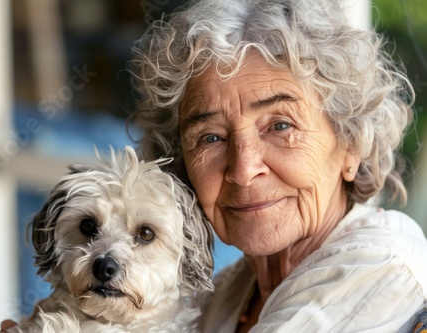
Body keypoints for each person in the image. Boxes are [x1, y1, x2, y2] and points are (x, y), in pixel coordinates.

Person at [127, 0, 427, 332]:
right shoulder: (228, 293)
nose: (243, 169)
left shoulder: (381, 268)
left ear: (351, 144)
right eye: (211, 138)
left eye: (280, 126)